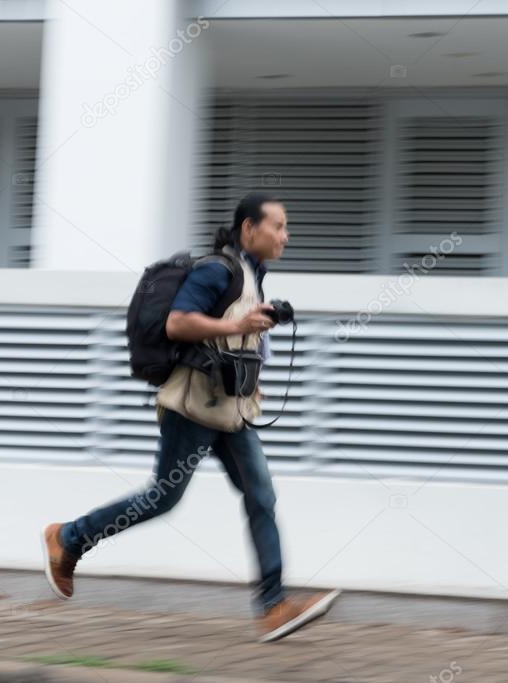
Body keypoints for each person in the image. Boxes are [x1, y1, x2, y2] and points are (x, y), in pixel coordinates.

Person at [41, 193, 340, 643]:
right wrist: (237, 328)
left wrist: (250, 366)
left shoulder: (252, 275)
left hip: (229, 409)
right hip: (193, 407)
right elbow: (178, 324)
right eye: (278, 226)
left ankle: (274, 605)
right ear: (248, 230)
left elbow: (233, 336)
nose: (285, 235)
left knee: (261, 495)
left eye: (285, 226)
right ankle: (68, 537)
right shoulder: (215, 270)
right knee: (164, 497)